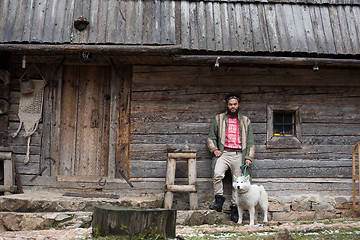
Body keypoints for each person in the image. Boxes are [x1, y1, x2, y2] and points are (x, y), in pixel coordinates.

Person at [206, 93, 255, 222]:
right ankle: (219, 201)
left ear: (238, 105)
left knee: (237, 181)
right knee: (217, 174)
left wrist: (249, 157)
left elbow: (250, 142)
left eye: (235, 104)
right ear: (227, 105)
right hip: (224, 153)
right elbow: (211, 137)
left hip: (239, 154)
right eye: (230, 104)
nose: (233, 107)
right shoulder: (219, 119)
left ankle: (234, 209)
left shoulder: (245, 121)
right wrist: (215, 149)